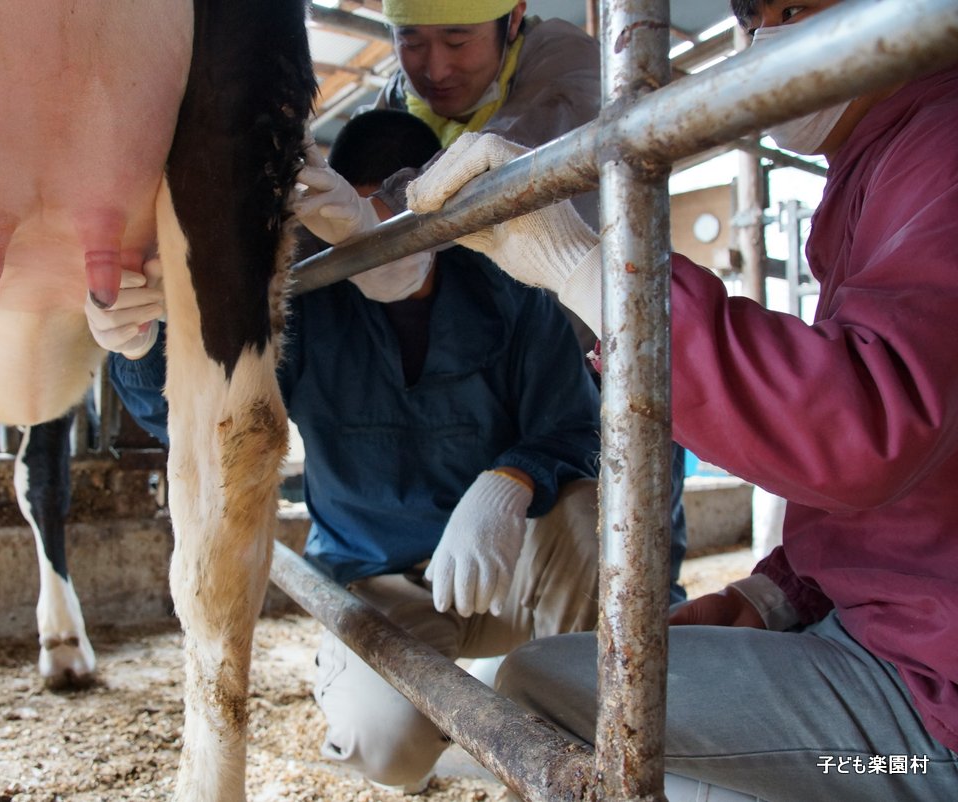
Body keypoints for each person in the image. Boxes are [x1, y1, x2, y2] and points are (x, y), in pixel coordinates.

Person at [405, 0, 958, 799]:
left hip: (928, 715)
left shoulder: (938, 148)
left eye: (796, 7)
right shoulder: (881, 162)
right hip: (895, 635)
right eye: (752, 12)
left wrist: (583, 269)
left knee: (542, 698)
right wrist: (777, 592)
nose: (765, 34)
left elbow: (870, 425)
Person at [89, 109, 603, 793]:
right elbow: (206, 417)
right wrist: (141, 343)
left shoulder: (508, 290)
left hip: (511, 568)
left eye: (399, 204)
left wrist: (511, 479)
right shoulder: (309, 298)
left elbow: (579, 427)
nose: (377, 224)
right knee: (383, 751)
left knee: (597, 515)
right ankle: (396, 702)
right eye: (360, 205)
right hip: (377, 580)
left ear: (441, 200)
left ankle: (567, 715)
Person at [297, 0, 689, 603]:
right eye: (411, 39)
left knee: (630, 470)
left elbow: (504, 161)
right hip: (482, 327)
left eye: (457, 39)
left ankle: (652, 612)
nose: (435, 66)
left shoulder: (568, 65)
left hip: (589, 320)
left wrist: (377, 225)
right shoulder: (397, 105)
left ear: (511, 20)